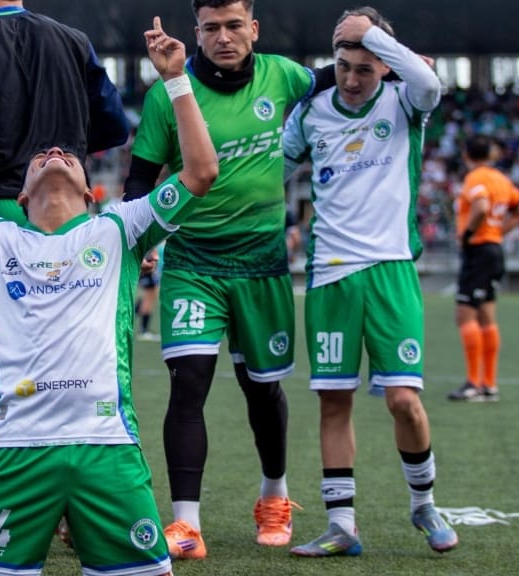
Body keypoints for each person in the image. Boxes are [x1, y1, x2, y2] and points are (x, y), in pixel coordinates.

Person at [0, 18, 217, 575]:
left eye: (67, 152)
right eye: (41, 155)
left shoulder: (120, 229)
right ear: (20, 194)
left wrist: (177, 81)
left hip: (106, 448)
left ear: (90, 190)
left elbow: (202, 172)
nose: (56, 150)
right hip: (14, 450)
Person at [123, 0, 337, 558]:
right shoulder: (167, 94)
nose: (223, 37)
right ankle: (186, 525)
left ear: (254, 29)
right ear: (197, 32)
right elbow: (140, 179)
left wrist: (400, 65)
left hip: (262, 263)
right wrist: (138, 237)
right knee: (188, 382)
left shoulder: (283, 76)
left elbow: (335, 76)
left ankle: (274, 495)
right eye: (211, 27)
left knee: (261, 388)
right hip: (193, 261)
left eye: (234, 25)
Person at [281, 6, 458, 556]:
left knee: (404, 400)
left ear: (384, 63)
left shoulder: (404, 101)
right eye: (343, 66)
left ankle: (424, 504)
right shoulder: (311, 113)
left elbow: (430, 82)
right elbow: (274, 170)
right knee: (334, 402)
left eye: (364, 67)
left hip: (390, 270)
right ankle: (342, 525)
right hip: (330, 277)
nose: (352, 79)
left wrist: (372, 36)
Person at [0, 0, 130, 456]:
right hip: (66, 219)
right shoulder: (75, 41)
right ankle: (67, 474)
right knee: (71, 354)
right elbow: (115, 125)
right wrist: (71, 146)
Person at [448, 134, 519, 401]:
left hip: (479, 251)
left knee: (465, 315)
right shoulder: (502, 179)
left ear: (466, 154)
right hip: (494, 250)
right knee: (486, 317)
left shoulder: (476, 177)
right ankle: (489, 385)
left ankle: (473, 383)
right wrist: (498, 232)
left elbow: (480, 207)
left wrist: (467, 235)